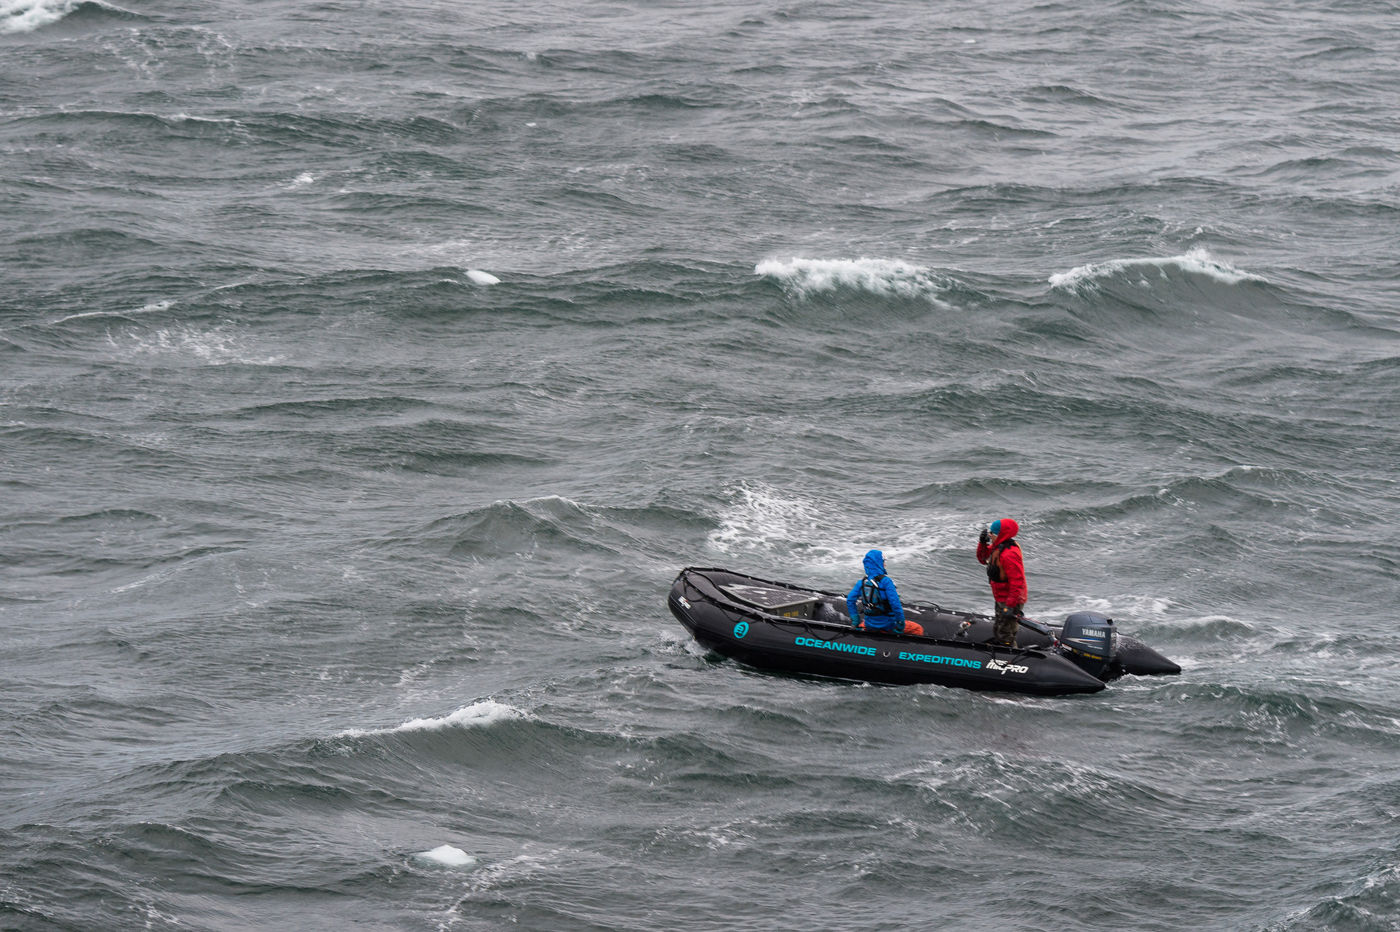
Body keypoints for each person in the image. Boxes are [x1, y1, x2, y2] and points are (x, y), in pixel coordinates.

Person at [846, 549, 924, 636]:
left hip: (869, 625)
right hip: (889, 625)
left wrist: (856, 620)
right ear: (878, 563)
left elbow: (850, 600)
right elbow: (895, 604)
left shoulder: (861, 582)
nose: (885, 564)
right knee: (918, 629)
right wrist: (900, 626)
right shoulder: (886, 581)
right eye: (883, 562)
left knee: (862, 625)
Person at [977, 518, 1028, 647]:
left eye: (992, 533)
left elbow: (1017, 582)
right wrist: (982, 543)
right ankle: (1000, 647)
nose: (990, 535)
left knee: (1006, 632)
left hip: (1011, 599)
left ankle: (1009, 657)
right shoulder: (998, 547)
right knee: (999, 627)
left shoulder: (1009, 554)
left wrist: (1010, 606)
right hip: (1001, 596)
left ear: (1001, 535)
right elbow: (983, 559)